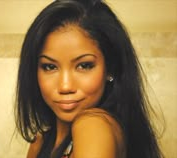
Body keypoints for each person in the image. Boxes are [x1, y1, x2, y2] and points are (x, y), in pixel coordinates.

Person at [15, 0, 164, 157]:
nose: (65, 86)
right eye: (50, 67)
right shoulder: (40, 142)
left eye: (84, 66)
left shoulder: (93, 124)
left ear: (110, 68)